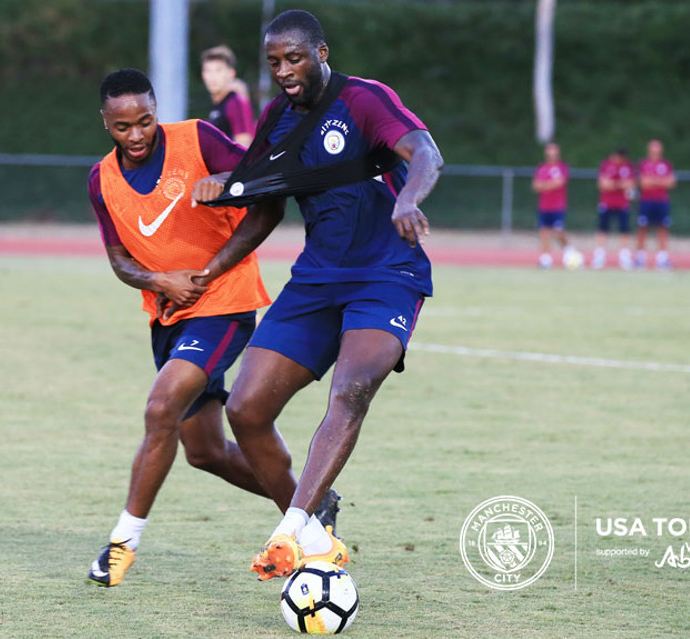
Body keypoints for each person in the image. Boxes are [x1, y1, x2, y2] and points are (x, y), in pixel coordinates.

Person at [186, 9, 443, 582]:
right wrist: (213, 259)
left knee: (350, 390)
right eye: (274, 62)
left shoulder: (365, 100)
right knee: (245, 410)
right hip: (315, 281)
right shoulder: (278, 118)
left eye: (294, 58)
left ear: (321, 54)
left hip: (388, 274)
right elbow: (263, 203)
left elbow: (426, 152)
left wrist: (408, 200)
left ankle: (293, 530)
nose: (284, 70)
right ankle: (315, 518)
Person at [85, 68, 309, 588]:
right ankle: (312, 505)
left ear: (155, 108)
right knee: (204, 451)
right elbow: (119, 260)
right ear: (105, 123)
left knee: (160, 406)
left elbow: (268, 198)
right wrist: (159, 279)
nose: (136, 135)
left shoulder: (198, 139)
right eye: (122, 127)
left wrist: (210, 265)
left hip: (224, 305)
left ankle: (122, 544)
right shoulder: (102, 180)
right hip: (168, 319)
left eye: (144, 121)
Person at [201, 45, 255, 147]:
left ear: (231, 73)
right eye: (208, 70)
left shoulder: (236, 102)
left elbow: (244, 147)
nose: (213, 76)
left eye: (218, 70)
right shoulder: (217, 104)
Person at [635, 139, 677, 270]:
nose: (655, 151)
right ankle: (640, 258)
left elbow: (671, 183)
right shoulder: (643, 164)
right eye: (653, 148)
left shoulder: (666, 164)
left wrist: (652, 180)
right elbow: (642, 183)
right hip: (646, 201)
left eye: (657, 148)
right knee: (642, 228)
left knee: (663, 228)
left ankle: (662, 258)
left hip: (662, 201)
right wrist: (660, 181)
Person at [531, 142, 573, 269]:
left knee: (558, 231)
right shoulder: (541, 168)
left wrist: (545, 185)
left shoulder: (562, 167)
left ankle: (569, 250)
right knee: (544, 232)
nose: (551, 153)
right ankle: (546, 258)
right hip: (544, 205)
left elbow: (559, 183)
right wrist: (548, 185)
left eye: (554, 150)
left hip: (558, 205)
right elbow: (536, 186)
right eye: (549, 150)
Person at [593, 148, 635, 270]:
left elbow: (630, 184)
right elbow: (603, 184)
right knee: (602, 230)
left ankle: (624, 257)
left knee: (624, 231)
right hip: (606, 203)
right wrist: (620, 184)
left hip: (622, 204)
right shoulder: (606, 165)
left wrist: (614, 184)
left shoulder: (627, 166)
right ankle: (599, 257)